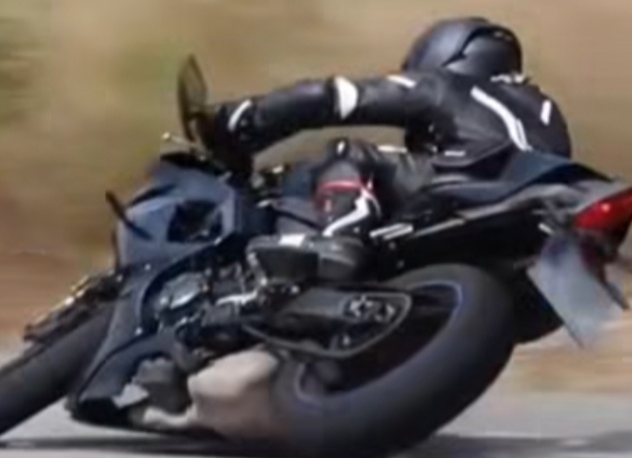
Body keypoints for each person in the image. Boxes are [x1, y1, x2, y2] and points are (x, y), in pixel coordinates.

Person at [202, 16, 573, 283]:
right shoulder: (544, 109)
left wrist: (242, 119)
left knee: (350, 153)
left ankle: (339, 237)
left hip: (475, 181)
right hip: (544, 223)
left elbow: (335, 97)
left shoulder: (447, 85)